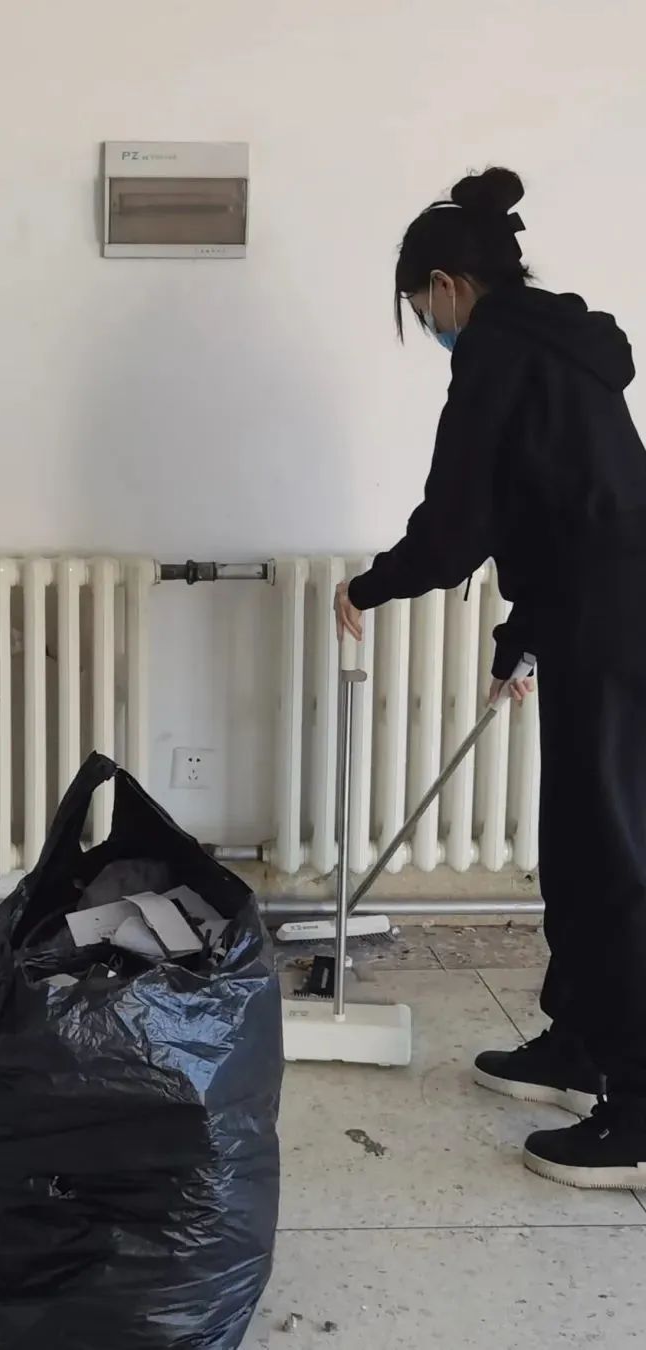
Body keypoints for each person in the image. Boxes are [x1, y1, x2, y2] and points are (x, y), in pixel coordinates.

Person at [334, 167, 646, 1191]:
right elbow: (554, 504)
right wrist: (525, 636)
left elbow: (457, 522)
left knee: (616, 861)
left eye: (421, 308)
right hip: (597, 612)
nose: (429, 326)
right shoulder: (559, 347)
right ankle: (579, 1047)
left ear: (445, 285)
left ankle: (639, 1116)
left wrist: (369, 586)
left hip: (617, 626)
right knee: (577, 847)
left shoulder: (500, 353)